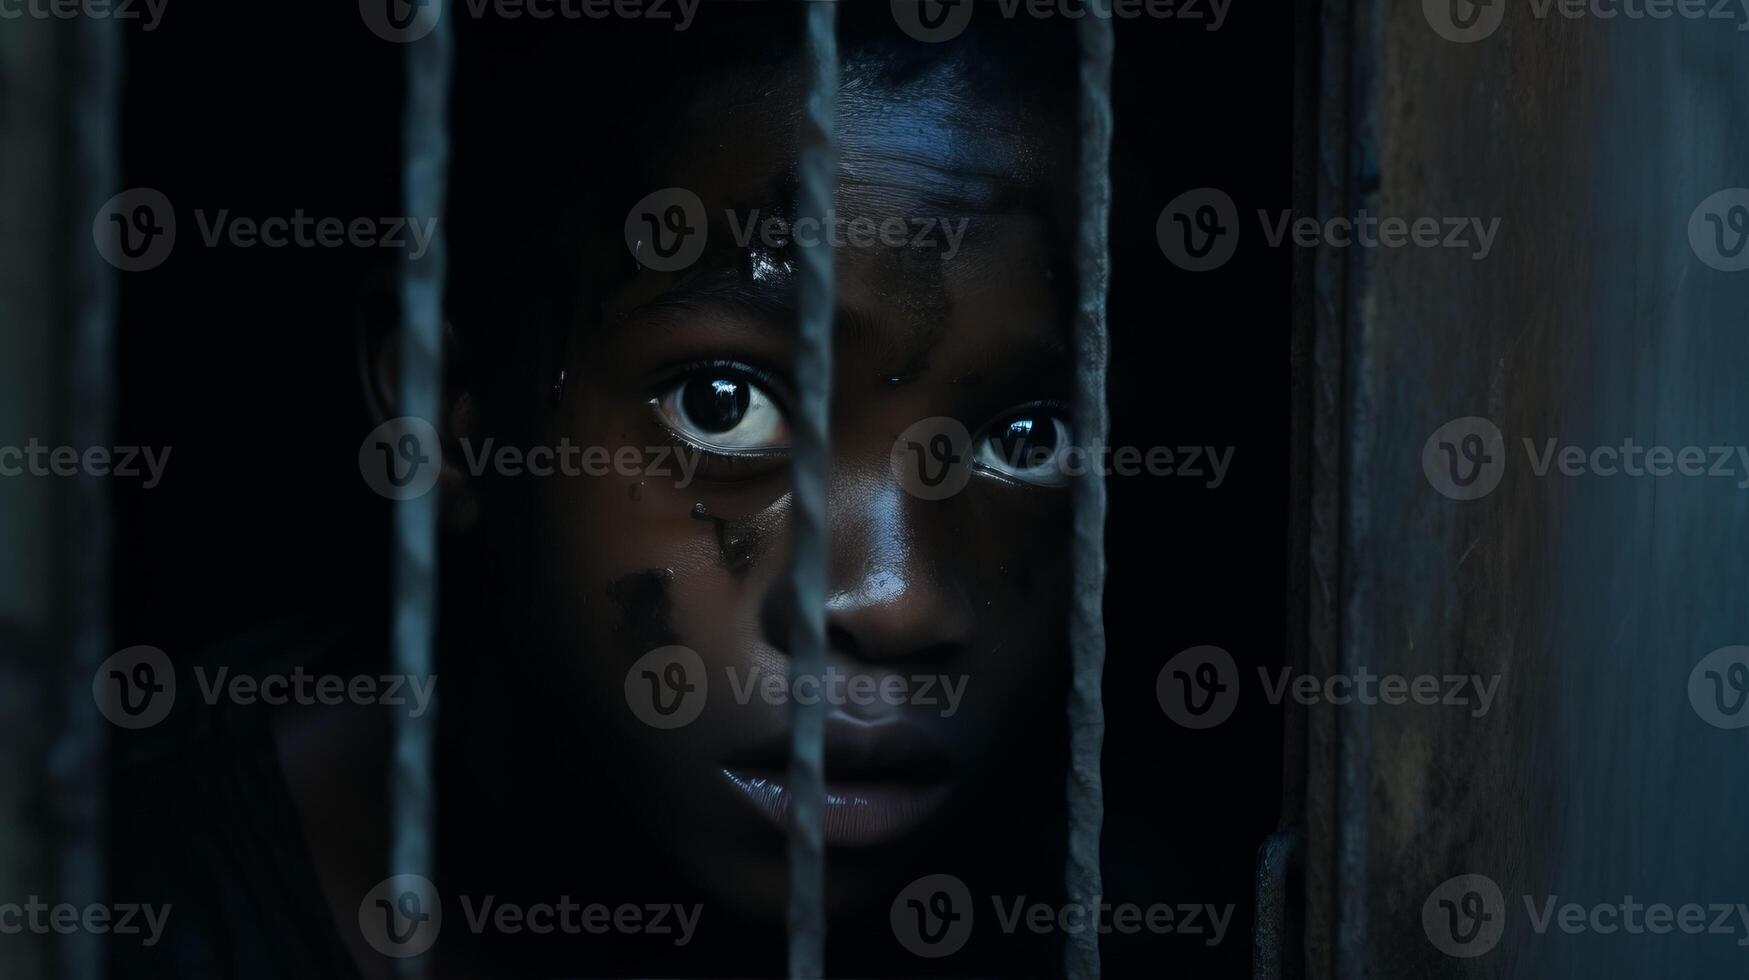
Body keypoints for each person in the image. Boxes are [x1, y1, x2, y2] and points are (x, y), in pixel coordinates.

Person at [117, 7, 1081, 976]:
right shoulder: (100, 902)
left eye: (1031, 436)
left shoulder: (1118, 899)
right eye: (721, 403)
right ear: (449, 411)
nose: (898, 599)